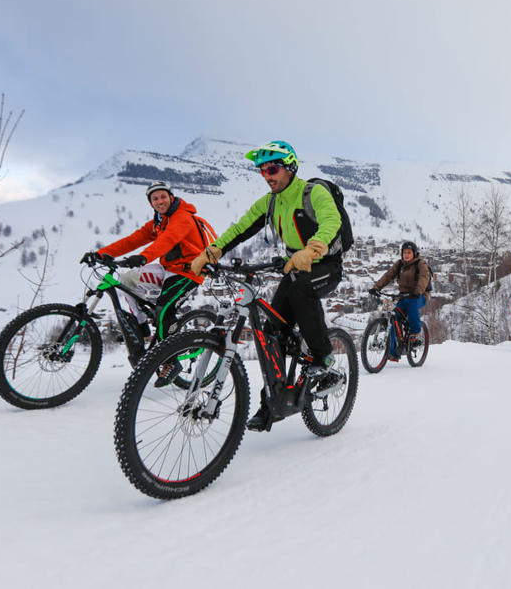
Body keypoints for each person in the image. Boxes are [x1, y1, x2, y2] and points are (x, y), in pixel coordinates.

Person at [190, 141, 346, 431]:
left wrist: (313, 248)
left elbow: (331, 220)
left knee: (300, 288)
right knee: (272, 332)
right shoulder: (270, 201)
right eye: (262, 170)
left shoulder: (313, 193)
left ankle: (324, 358)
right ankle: (272, 403)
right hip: (295, 267)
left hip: (325, 264)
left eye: (272, 169)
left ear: (289, 168)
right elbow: (241, 228)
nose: (266, 175)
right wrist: (213, 251)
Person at [80, 181, 215, 358]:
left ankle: (170, 361)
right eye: (155, 199)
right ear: (151, 203)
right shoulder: (159, 222)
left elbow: (166, 240)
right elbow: (132, 240)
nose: (160, 201)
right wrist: (101, 254)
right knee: (127, 280)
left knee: (164, 308)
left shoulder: (182, 217)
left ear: (171, 197)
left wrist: (143, 257)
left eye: (163, 196)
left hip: (189, 272)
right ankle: (142, 326)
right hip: (168, 269)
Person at [369, 241, 430, 361]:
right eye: (404, 253)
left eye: (409, 253)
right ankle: (394, 353)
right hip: (402, 296)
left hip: (419, 295)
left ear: (414, 253)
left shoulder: (420, 264)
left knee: (411, 305)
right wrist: (376, 288)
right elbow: (388, 276)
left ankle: (416, 332)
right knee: (393, 318)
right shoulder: (399, 264)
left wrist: (417, 291)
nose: (406, 255)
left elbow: (424, 278)